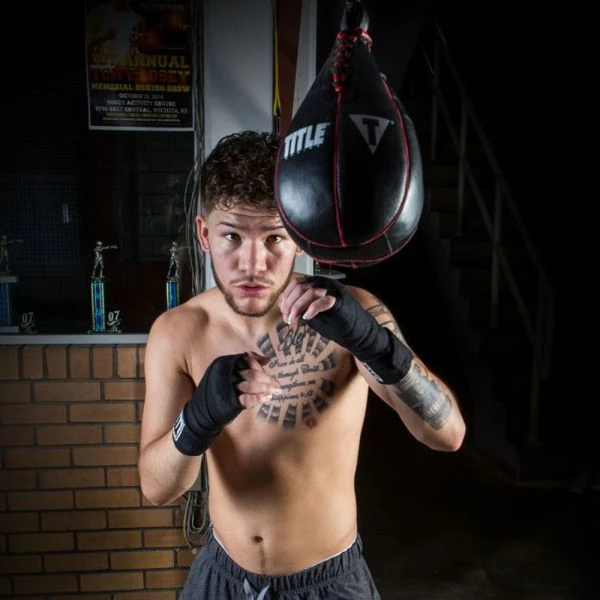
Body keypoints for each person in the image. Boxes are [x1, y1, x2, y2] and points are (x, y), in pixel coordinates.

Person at [138, 131, 466, 599]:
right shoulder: (179, 333)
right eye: (232, 236)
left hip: (329, 582)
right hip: (221, 576)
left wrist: (374, 344)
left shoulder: (354, 313)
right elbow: (157, 487)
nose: (253, 263)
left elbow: (448, 434)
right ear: (204, 234)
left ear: (298, 238)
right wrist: (197, 419)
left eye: (274, 237)